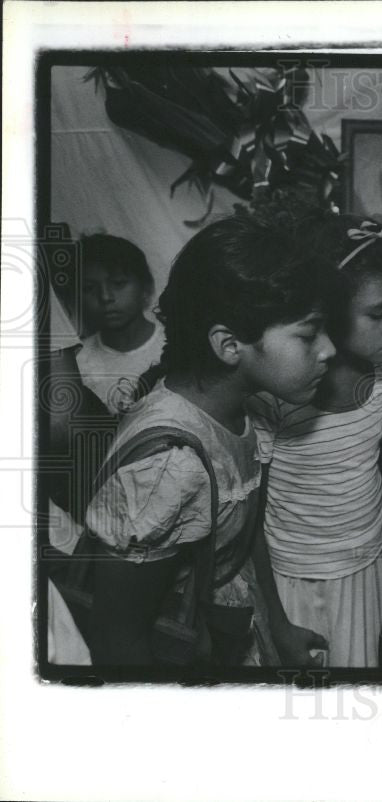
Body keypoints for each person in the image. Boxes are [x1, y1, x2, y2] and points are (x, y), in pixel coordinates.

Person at [80, 215, 335, 666]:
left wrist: (278, 625)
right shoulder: (167, 468)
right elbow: (119, 638)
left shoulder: (243, 408)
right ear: (229, 345)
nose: (329, 350)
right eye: (309, 334)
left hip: (232, 622)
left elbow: (243, 533)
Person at [248, 212, 382, 668]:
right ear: (328, 313)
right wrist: (277, 621)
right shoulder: (277, 395)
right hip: (295, 580)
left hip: (365, 567)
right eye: (378, 313)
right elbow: (248, 514)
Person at [75, 234, 167, 415]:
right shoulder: (77, 363)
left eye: (118, 283)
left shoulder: (176, 345)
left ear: (145, 287)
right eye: (89, 288)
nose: (105, 297)